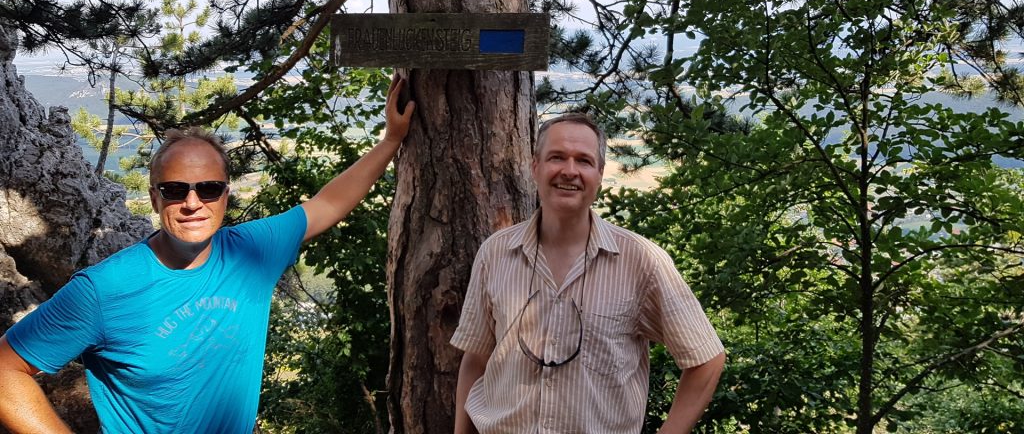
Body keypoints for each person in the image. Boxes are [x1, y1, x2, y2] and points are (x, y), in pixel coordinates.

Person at [0, 76, 415, 434]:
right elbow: (5, 370)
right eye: (175, 190)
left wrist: (391, 140)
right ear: (154, 197)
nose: (193, 202)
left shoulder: (252, 250)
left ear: (225, 196)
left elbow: (328, 203)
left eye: (209, 188)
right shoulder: (105, 290)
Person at [451, 112, 726, 434]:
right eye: (557, 157)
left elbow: (706, 359)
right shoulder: (495, 253)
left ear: (599, 173)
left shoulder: (641, 261)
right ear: (535, 166)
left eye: (583, 160)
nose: (569, 171)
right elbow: (477, 359)